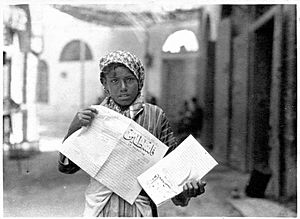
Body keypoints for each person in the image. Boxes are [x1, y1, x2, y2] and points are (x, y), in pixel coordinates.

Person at [58, 50, 206, 217]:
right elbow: (67, 167)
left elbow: (171, 174)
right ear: (105, 84)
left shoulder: (155, 116)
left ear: (139, 81)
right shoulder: (94, 116)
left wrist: (186, 189)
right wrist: (74, 128)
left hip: (141, 211)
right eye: (114, 81)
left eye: (129, 80)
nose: (122, 88)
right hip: (100, 210)